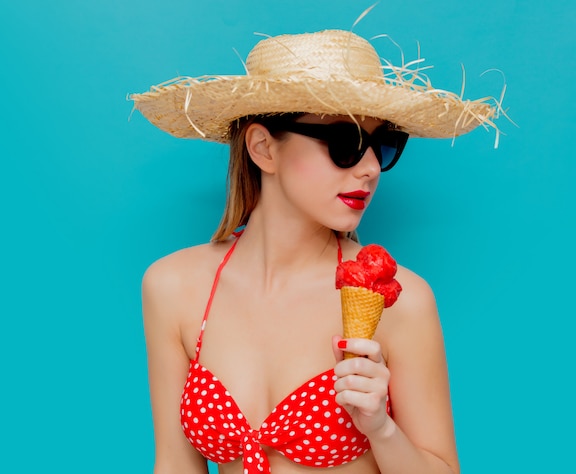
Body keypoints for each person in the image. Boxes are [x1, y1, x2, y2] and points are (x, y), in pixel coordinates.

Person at [132, 29, 498, 474]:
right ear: (263, 148)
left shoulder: (398, 300)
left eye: (383, 145)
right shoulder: (173, 287)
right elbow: (174, 465)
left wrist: (380, 428)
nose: (368, 169)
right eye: (344, 143)